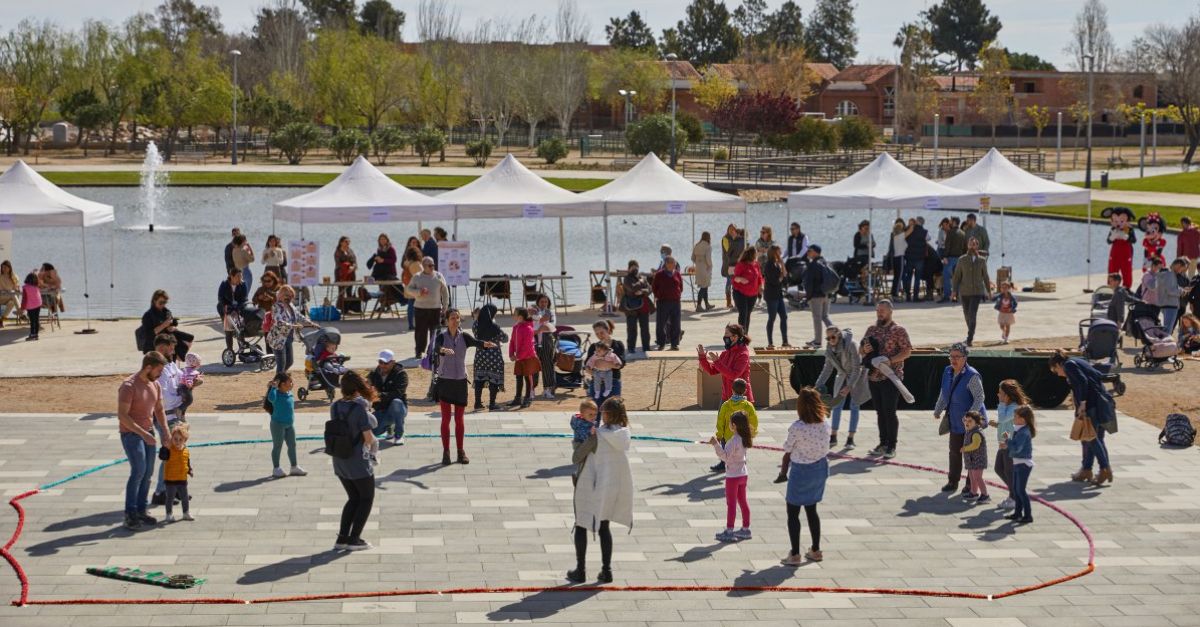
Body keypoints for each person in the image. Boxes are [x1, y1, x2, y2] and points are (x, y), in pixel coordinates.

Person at [568, 397, 634, 584]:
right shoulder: (624, 434)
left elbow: (577, 456)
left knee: (581, 523)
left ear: (607, 414)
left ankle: (580, 570)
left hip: (590, 484)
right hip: (611, 487)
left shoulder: (597, 435)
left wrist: (577, 443)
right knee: (605, 528)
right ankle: (607, 570)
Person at [431, 309, 496, 465]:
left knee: (459, 419)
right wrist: (442, 350)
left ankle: (461, 452)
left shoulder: (464, 337)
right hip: (445, 381)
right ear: (447, 321)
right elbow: (435, 348)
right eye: (452, 318)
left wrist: (486, 344)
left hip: (460, 381)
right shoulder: (441, 336)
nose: (455, 320)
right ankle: (446, 452)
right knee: (446, 419)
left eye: (457, 318)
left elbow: (476, 342)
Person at [118, 351, 170, 530]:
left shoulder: (155, 385)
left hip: (148, 433)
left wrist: (165, 432)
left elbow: (160, 410)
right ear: (148, 367)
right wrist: (142, 433)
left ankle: (142, 509)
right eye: (158, 370)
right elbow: (122, 416)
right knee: (138, 470)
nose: (160, 374)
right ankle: (129, 513)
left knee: (148, 473)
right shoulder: (128, 386)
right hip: (131, 434)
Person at [1049, 350, 1117, 487]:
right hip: (1100, 401)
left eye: (1056, 370)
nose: (1058, 375)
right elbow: (1095, 376)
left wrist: (1082, 403)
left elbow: (1082, 382)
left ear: (1058, 364)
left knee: (1090, 437)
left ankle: (1104, 468)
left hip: (1091, 404)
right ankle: (1086, 469)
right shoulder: (1078, 360)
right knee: (1094, 437)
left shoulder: (1069, 365)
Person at [780, 387, 831, 566]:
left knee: (793, 512)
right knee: (812, 509)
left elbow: (787, 447)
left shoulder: (797, 427)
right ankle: (816, 549)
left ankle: (795, 553)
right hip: (820, 468)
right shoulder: (825, 423)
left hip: (801, 470)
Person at [330, 371, 379, 551]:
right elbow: (368, 437)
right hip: (357, 461)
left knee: (353, 498)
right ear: (358, 389)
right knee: (366, 498)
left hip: (340, 459)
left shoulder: (335, 406)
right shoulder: (359, 409)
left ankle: (342, 537)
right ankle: (354, 539)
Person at [931, 342, 987, 495]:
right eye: (951, 357)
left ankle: (970, 485)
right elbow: (944, 393)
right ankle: (952, 481)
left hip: (971, 424)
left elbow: (980, 397)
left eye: (957, 357)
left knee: (971, 454)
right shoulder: (947, 371)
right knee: (954, 451)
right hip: (955, 420)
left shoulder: (972, 375)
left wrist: (971, 416)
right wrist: (938, 409)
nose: (953, 360)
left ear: (965, 358)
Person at [862, 300, 912, 459]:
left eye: (882, 310)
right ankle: (882, 443)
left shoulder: (899, 330)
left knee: (889, 412)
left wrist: (890, 361)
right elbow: (861, 350)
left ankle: (891, 445)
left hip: (891, 377)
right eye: (878, 310)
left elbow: (907, 351)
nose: (879, 313)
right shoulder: (871, 329)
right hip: (873, 377)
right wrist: (864, 349)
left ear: (890, 311)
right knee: (879, 412)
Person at [814, 327, 870, 451]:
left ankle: (851, 438)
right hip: (841, 375)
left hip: (857, 376)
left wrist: (849, 386)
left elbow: (857, 368)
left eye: (833, 337)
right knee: (836, 405)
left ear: (839, 335)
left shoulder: (852, 344)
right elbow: (827, 368)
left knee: (855, 405)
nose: (830, 340)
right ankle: (833, 436)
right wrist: (817, 386)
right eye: (827, 338)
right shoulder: (829, 347)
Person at [710, 410, 753, 543]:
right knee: (743, 501)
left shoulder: (733, 441)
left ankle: (729, 530)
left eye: (730, 422)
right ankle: (746, 528)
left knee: (732, 504)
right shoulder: (745, 438)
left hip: (733, 476)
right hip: (743, 474)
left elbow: (726, 457)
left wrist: (716, 445)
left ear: (734, 425)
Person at [990, 379, 1028, 511]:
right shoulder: (1008, 407)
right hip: (1004, 442)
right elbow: (1005, 423)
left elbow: (1004, 418)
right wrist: (998, 425)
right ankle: (1015, 493)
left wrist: (1001, 404)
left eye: (1000, 393)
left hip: (1010, 444)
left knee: (1008, 470)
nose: (998, 395)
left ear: (1007, 395)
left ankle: (1015, 497)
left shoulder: (1013, 407)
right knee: (998, 468)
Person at [404, 256, 449, 360]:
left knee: (435, 332)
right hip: (420, 309)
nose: (432, 267)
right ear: (424, 266)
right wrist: (419, 292)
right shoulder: (417, 277)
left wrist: (445, 306)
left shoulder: (439, 276)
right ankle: (419, 351)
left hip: (435, 308)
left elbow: (445, 292)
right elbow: (408, 289)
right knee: (420, 332)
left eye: (433, 265)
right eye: (429, 265)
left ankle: (434, 351)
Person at [697, 323, 755, 403]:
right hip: (726, 397)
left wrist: (717, 362)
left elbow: (734, 375)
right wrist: (702, 356)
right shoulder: (726, 353)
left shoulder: (743, 354)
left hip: (741, 398)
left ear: (735, 337)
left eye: (727, 334)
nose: (724, 337)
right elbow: (712, 370)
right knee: (721, 416)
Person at [711, 377, 757, 473]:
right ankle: (741, 469)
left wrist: (719, 435)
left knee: (726, 453)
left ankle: (725, 466)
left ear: (732, 390)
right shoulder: (748, 406)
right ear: (745, 391)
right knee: (741, 454)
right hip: (743, 436)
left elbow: (720, 421)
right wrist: (751, 434)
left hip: (727, 437)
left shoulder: (726, 405)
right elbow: (754, 421)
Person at [267, 285, 315, 376]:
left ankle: (280, 378)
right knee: (282, 365)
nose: (288, 298)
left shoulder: (291, 306)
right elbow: (279, 322)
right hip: (278, 339)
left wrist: (311, 324)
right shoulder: (276, 307)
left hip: (288, 338)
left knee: (290, 361)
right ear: (280, 295)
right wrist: (293, 326)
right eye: (286, 296)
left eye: (290, 296)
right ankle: (278, 381)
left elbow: (300, 316)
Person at [952, 237, 991, 346]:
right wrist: (954, 290)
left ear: (977, 246)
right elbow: (956, 276)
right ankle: (971, 332)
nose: (972, 246)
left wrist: (988, 291)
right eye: (970, 244)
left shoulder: (982, 260)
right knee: (966, 314)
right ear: (967, 245)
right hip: (964, 292)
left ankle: (969, 338)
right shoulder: (962, 259)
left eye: (974, 244)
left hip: (977, 292)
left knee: (972, 314)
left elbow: (986, 277)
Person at [267, 371, 306, 477]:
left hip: (289, 425)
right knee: (278, 446)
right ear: (283, 384)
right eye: (290, 382)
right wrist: (273, 387)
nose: (292, 384)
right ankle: (276, 468)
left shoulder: (289, 393)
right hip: (278, 425)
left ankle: (294, 467)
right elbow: (271, 398)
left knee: (292, 445)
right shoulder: (276, 394)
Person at [471, 304, 507, 411]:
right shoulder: (494, 327)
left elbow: (477, 336)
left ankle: (477, 403)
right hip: (494, 356)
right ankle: (492, 404)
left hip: (480, 355)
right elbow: (505, 338)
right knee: (494, 379)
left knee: (479, 379)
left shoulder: (475, 325)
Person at [368, 349, 408, 444]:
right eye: (380, 362)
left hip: (398, 409)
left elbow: (398, 393)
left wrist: (378, 395)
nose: (382, 365)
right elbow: (366, 386)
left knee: (396, 402)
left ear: (393, 362)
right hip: (381, 409)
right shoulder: (374, 373)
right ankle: (390, 427)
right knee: (373, 431)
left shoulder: (401, 374)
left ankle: (399, 435)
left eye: (386, 363)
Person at [1006, 405, 1036, 525]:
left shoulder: (1024, 432)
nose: (1013, 418)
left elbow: (1017, 448)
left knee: (1020, 490)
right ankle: (1017, 513)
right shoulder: (1019, 428)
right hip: (1018, 463)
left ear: (1023, 419)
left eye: (1015, 417)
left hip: (1023, 464)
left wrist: (1008, 441)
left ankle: (1028, 515)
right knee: (1016, 489)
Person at [583, 320, 626, 405]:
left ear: (608, 331)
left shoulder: (618, 344)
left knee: (613, 411)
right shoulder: (593, 347)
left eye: (602, 332)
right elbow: (587, 366)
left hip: (614, 382)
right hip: (596, 383)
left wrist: (605, 364)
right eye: (597, 334)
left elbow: (622, 364)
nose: (600, 336)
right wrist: (596, 374)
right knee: (595, 411)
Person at [140, 289, 193, 355]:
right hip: (154, 342)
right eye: (160, 303)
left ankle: (175, 358)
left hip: (168, 338)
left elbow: (173, 322)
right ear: (154, 301)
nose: (163, 305)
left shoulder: (166, 311)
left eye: (165, 302)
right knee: (173, 346)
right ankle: (173, 358)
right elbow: (148, 335)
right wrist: (164, 325)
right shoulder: (148, 315)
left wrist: (172, 326)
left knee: (189, 339)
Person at [159, 422, 194, 523]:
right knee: (170, 498)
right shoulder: (169, 450)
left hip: (182, 478)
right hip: (170, 479)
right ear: (172, 439)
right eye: (175, 439)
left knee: (185, 497)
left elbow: (187, 461)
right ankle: (169, 514)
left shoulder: (186, 450)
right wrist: (164, 448)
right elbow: (162, 457)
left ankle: (186, 512)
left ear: (185, 440)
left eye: (180, 439)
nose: (178, 442)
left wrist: (190, 470)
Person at [801, 245, 832, 349]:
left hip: (816, 296)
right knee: (825, 317)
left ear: (815, 253)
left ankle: (818, 341)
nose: (808, 252)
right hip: (826, 294)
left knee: (817, 318)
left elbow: (809, 283)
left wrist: (808, 297)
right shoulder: (825, 261)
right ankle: (837, 335)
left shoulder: (813, 264)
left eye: (810, 251)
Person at [509, 307, 540, 408]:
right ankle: (518, 398)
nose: (513, 315)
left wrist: (518, 356)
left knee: (527, 378)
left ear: (520, 317)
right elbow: (512, 341)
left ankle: (527, 398)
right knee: (518, 377)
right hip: (519, 357)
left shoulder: (528, 329)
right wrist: (511, 354)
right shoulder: (515, 327)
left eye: (515, 314)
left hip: (528, 357)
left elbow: (527, 346)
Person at [620, 260, 653, 355]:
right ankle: (631, 348)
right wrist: (642, 282)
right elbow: (632, 288)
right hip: (631, 307)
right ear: (629, 268)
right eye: (633, 267)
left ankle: (646, 347)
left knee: (645, 328)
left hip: (643, 306)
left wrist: (642, 291)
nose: (635, 269)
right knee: (631, 328)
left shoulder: (642, 277)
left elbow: (650, 289)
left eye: (636, 267)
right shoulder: (626, 278)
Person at [762, 245, 790, 349]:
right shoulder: (769, 265)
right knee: (772, 318)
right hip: (771, 295)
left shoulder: (777, 264)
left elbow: (785, 279)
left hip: (778, 295)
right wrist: (782, 277)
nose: (781, 253)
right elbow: (775, 281)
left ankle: (785, 341)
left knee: (784, 316)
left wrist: (782, 265)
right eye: (779, 251)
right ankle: (770, 342)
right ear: (774, 253)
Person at [652, 256, 683, 351]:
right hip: (663, 302)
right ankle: (661, 343)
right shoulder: (659, 274)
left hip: (675, 302)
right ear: (667, 264)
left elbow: (681, 286)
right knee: (661, 324)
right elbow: (654, 287)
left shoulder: (677, 274)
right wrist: (659, 295)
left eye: (674, 263)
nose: (674, 265)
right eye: (672, 263)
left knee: (676, 323)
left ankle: (674, 344)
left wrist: (677, 294)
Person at [959, 412, 990, 504]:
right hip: (972, 460)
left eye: (970, 421)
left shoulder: (976, 433)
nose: (967, 423)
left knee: (978, 477)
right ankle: (973, 492)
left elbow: (975, 445)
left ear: (976, 423)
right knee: (972, 477)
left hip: (978, 460)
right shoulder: (970, 430)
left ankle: (985, 495)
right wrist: (964, 419)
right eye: (966, 421)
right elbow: (964, 420)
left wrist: (965, 448)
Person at [531, 293, 558, 398]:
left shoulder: (551, 312)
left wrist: (540, 324)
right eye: (542, 301)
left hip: (547, 340)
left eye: (546, 302)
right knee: (534, 365)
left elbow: (552, 326)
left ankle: (547, 390)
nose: (543, 304)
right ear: (537, 302)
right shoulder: (533, 311)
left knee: (548, 364)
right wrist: (539, 326)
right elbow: (531, 325)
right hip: (534, 340)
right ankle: (531, 389)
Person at [217, 268, 249, 355]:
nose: (240, 279)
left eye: (241, 276)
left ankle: (241, 348)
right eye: (238, 276)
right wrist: (228, 308)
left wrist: (237, 309)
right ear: (231, 276)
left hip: (239, 308)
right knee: (229, 329)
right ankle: (229, 350)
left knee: (240, 328)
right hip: (227, 308)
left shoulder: (243, 284)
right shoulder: (224, 284)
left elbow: (244, 299)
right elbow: (220, 298)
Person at [731, 248, 763, 331]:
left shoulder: (756, 264)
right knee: (743, 314)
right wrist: (741, 279)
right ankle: (741, 335)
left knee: (748, 314)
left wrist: (761, 287)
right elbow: (734, 278)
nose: (757, 254)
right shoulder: (741, 264)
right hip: (740, 293)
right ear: (752, 255)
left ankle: (745, 334)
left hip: (753, 294)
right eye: (756, 253)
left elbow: (759, 277)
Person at [569, 399, 599, 480]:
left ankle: (580, 475)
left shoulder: (587, 420)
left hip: (584, 443)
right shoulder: (580, 423)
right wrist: (591, 433)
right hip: (580, 444)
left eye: (595, 414)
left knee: (585, 462)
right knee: (582, 461)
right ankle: (577, 476)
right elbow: (583, 435)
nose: (593, 417)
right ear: (582, 415)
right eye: (590, 414)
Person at [940, 220, 967, 303]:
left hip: (950, 258)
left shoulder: (950, 232)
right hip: (960, 258)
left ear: (954, 222)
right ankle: (958, 296)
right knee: (958, 277)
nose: (950, 223)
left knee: (946, 276)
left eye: (951, 221)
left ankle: (947, 296)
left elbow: (947, 245)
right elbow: (964, 247)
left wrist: (944, 256)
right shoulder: (963, 233)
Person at [902, 218, 927, 302]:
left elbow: (904, 239)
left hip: (909, 257)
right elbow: (928, 239)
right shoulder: (924, 232)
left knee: (908, 277)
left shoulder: (909, 230)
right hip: (919, 258)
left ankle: (908, 296)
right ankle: (915, 296)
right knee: (917, 278)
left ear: (916, 222)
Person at [721, 224, 745, 308]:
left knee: (736, 282)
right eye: (730, 229)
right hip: (728, 263)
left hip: (736, 264)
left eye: (733, 229)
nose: (732, 231)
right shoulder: (725, 238)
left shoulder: (737, 239)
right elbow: (728, 250)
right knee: (729, 281)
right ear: (728, 230)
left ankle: (736, 301)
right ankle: (728, 301)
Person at [690, 232, 714, 312]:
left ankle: (707, 304)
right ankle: (699, 305)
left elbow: (692, 258)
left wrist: (698, 262)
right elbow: (708, 259)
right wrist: (710, 266)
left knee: (704, 286)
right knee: (704, 287)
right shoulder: (708, 246)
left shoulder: (697, 245)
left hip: (698, 268)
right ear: (708, 237)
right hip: (705, 268)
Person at [334, 236, 358, 309]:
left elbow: (354, 261)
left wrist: (353, 267)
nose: (347, 243)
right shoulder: (338, 252)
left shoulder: (350, 251)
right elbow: (338, 263)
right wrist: (347, 267)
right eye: (346, 242)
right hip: (340, 274)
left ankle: (348, 309)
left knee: (349, 291)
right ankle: (340, 308)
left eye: (348, 242)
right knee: (341, 292)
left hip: (351, 274)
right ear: (341, 242)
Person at [177, 352, 202, 419]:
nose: (199, 364)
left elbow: (191, 376)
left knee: (185, 401)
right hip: (185, 387)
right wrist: (189, 383)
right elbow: (188, 378)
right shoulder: (190, 371)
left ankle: (182, 415)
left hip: (185, 387)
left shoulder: (190, 370)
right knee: (189, 400)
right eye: (198, 363)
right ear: (193, 363)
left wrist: (198, 376)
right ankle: (179, 409)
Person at [886, 219, 907, 299]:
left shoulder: (893, 235)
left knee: (896, 277)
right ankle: (895, 294)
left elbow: (891, 248)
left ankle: (894, 293)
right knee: (899, 276)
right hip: (899, 257)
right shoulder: (901, 236)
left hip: (893, 257)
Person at [20, 272, 41, 341]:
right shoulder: (37, 286)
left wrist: (22, 307)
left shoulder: (25, 287)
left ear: (27, 279)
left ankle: (32, 334)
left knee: (32, 321)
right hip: (38, 304)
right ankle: (36, 334)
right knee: (36, 320)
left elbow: (24, 298)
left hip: (31, 306)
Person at [0, 260, 19, 326]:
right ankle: (21, 312)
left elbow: (16, 288)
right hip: (1, 297)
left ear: (9, 268)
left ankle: (1, 320)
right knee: (12, 293)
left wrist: (17, 289)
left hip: (9, 297)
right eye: (2, 267)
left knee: (12, 302)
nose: (4, 269)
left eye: (5, 267)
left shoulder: (14, 277)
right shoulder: (0, 277)